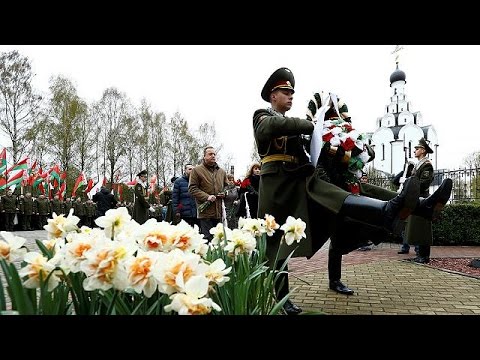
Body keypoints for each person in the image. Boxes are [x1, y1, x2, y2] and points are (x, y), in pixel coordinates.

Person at [254, 67, 452, 314]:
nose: (290, 96)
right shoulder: (262, 115)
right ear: (273, 95)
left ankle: (421, 206)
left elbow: (309, 154)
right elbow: (267, 129)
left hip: (299, 184)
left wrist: (343, 147)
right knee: (278, 247)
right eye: (285, 92)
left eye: (292, 92)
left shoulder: (292, 125)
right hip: (277, 191)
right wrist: (311, 126)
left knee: (351, 195)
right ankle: (282, 300)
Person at [404, 138, 436, 263]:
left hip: (422, 198)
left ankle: (424, 256)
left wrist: (409, 186)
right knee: (417, 227)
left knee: (422, 227)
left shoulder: (427, 165)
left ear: (423, 150)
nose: (415, 151)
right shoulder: (418, 164)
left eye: (417, 149)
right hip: (417, 197)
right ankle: (420, 255)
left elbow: (424, 183)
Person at [188, 146, 229, 241]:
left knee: (219, 239)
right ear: (204, 156)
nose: (213, 156)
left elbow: (227, 187)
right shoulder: (197, 170)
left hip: (219, 212)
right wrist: (207, 197)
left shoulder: (221, 171)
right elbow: (192, 188)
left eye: (214, 154)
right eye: (210, 154)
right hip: (205, 212)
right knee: (208, 239)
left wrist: (225, 193)